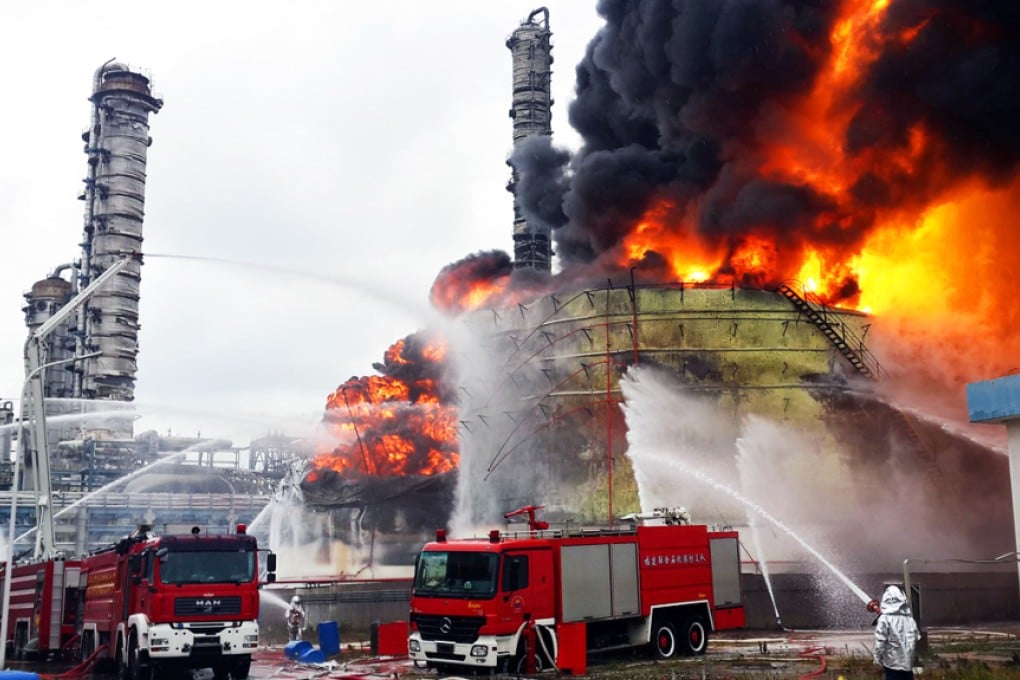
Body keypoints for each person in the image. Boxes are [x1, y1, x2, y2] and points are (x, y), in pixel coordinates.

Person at [872, 584, 921, 680]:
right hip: (908, 665)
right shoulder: (909, 618)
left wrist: (877, 658)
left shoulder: (885, 619)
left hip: (892, 665)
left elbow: (880, 641)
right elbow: (916, 637)